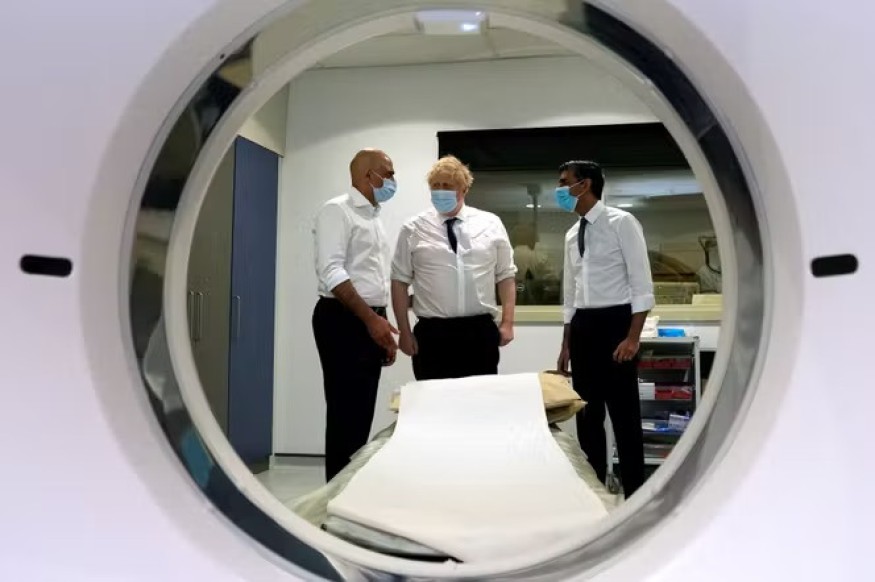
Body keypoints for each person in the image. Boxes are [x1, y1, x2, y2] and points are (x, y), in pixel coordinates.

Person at [554, 160, 654, 498]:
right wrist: (566, 344)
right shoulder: (572, 233)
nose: (559, 189)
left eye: (564, 182)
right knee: (587, 415)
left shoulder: (621, 223)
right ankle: (596, 492)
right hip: (583, 326)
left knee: (624, 416)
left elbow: (641, 284)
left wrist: (633, 337)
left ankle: (635, 493)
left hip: (616, 324)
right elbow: (570, 293)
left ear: (584, 185)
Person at [312, 148, 399, 482]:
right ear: (367, 175)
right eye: (388, 173)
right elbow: (332, 273)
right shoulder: (337, 211)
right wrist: (371, 320)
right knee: (345, 414)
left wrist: (383, 325)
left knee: (360, 414)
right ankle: (334, 493)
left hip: (368, 319)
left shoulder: (373, 217)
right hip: (342, 319)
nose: (392, 180)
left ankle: (347, 488)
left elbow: (375, 278)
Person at [391, 155, 517, 380]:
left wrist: (507, 322)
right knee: (433, 398)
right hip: (432, 334)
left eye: (447, 185)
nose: (440, 191)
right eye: (435, 185)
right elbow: (399, 281)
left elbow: (505, 276)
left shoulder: (490, 223)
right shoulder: (413, 228)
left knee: (479, 397)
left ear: (464, 189)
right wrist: (404, 331)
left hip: (479, 332)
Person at [510, 222, 559, 304]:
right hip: (537, 303)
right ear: (533, 239)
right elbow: (553, 282)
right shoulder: (541, 257)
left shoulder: (507, 257)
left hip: (511, 302)